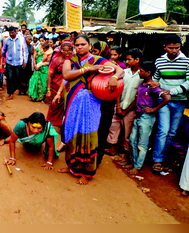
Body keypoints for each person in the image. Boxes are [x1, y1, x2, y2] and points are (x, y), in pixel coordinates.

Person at [58, 34, 123, 185]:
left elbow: (119, 71)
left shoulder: (99, 60)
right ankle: (71, 165)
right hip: (72, 101)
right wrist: (89, 69)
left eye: (83, 44)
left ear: (88, 44)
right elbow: (66, 74)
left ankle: (86, 172)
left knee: (88, 134)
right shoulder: (71, 60)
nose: (80, 47)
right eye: (77, 45)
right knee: (72, 133)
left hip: (91, 103)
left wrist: (114, 78)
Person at [152, 34, 189, 173]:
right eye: (171, 47)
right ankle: (158, 159)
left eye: (177, 48)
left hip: (179, 101)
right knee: (163, 130)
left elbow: (188, 82)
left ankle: (164, 156)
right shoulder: (159, 61)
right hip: (164, 101)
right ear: (165, 47)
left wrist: (171, 91)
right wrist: (161, 90)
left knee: (172, 132)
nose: (174, 50)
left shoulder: (186, 62)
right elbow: (155, 80)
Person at [127, 61, 171, 175]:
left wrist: (154, 109)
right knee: (132, 140)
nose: (139, 72)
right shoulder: (142, 83)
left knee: (142, 144)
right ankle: (134, 163)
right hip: (139, 115)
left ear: (148, 73)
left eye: (141, 70)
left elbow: (167, 98)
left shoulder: (153, 86)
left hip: (147, 117)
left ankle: (137, 166)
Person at [105, 49, 143, 162]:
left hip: (131, 108)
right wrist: (118, 106)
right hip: (120, 105)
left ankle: (125, 153)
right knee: (113, 127)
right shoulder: (124, 73)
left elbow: (138, 96)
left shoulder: (141, 75)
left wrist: (126, 111)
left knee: (128, 132)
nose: (126, 61)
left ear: (137, 60)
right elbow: (118, 90)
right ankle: (112, 148)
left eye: (129, 59)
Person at [46, 41, 74, 151]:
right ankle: (50, 131)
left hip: (68, 90)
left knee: (66, 113)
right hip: (55, 88)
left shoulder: (74, 60)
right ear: (60, 49)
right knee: (53, 110)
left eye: (69, 50)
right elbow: (49, 75)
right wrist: (48, 90)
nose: (66, 52)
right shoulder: (56, 59)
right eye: (64, 50)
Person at [2, 26, 28, 100]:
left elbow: (25, 51)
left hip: (18, 62)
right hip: (9, 62)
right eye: (10, 33)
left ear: (16, 32)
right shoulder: (6, 41)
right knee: (9, 77)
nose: (11, 34)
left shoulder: (21, 40)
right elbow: (4, 51)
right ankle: (10, 93)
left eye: (13, 32)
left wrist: (25, 61)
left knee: (17, 78)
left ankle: (13, 90)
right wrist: (4, 59)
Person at [28, 37, 52, 102]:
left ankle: (43, 97)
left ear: (45, 41)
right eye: (40, 41)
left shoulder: (50, 50)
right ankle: (34, 96)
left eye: (42, 41)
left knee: (44, 82)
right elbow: (34, 57)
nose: (41, 42)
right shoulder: (37, 49)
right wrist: (34, 65)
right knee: (34, 80)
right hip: (38, 66)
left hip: (45, 67)